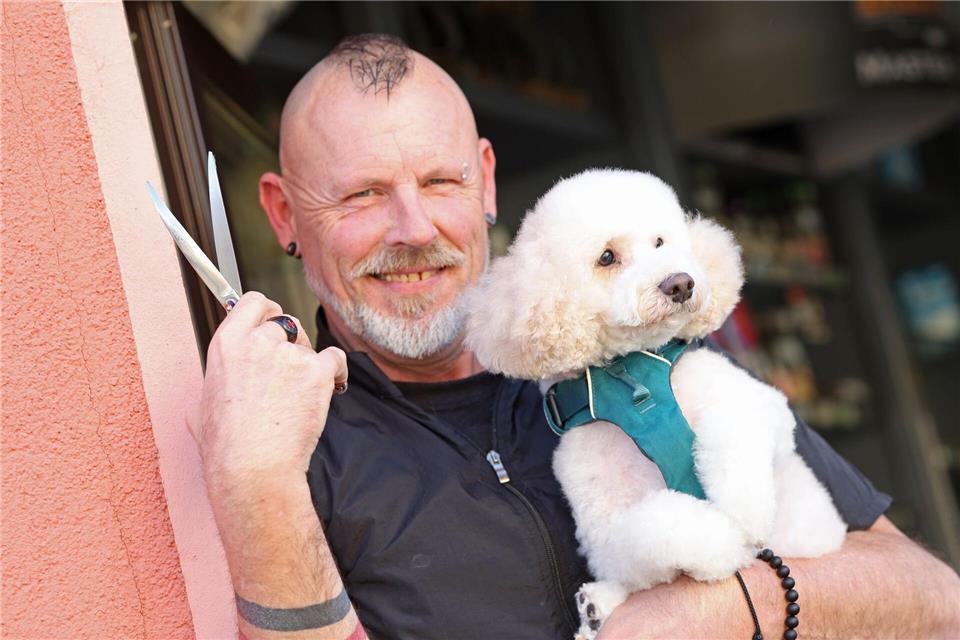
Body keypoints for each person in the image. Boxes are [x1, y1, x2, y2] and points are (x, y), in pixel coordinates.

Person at [190, 34, 960, 640]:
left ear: (486, 181)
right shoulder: (291, 443)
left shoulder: (648, 357)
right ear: (285, 215)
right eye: (362, 194)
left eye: (440, 183)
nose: (414, 229)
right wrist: (258, 487)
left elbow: (935, 602)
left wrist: (736, 607)